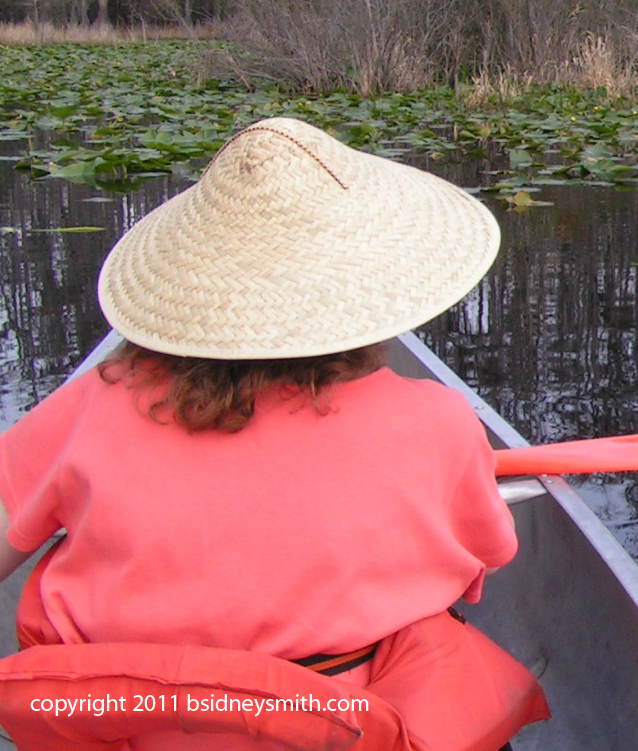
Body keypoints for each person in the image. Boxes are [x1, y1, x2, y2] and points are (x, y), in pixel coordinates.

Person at [0, 117, 549, 749]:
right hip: (342, 725)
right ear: (368, 288)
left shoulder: (94, 403)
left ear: (193, 288)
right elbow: (487, 556)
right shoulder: (437, 419)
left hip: (132, 725)